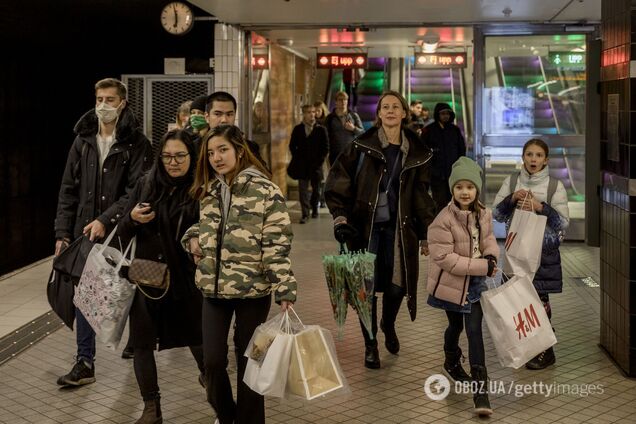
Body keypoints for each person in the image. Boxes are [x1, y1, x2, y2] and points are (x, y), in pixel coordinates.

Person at [182, 125, 297, 424]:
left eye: (222, 150)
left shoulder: (265, 190)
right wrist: (192, 238)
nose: (216, 157)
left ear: (239, 150)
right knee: (213, 362)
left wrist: (285, 288)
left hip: (253, 292)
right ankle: (228, 415)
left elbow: (277, 243)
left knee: (252, 363)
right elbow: (204, 229)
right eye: (210, 152)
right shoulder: (209, 190)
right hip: (213, 289)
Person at [325, 91, 436, 369]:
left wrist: (425, 234)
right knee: (367, 289)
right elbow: (339, 181)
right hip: (367, 229)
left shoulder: (417, 151)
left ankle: (388, 323)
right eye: (384, 107)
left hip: (401, 230)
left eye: (395, 107)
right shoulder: (361, 146)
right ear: (378, 114)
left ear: (404, 113)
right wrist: (340, 218)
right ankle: (371, 344)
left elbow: (422, 195)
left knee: (399, 286)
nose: (389, 111)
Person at [54, 77, 151, 386]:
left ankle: (140, 342)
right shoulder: (82, 140)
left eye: (110, 100)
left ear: (123, 103)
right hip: (87, 230)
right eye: (99, 99)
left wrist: (106, 220)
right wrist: (62, 233)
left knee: (131, 291)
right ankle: (85, 362)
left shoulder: (137, 143)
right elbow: (68, 190)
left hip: (126, 229)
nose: (103, 106)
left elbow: (137, 191)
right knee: (85, 293)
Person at [116, 129, 204, 424]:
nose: (173, 162)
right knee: (141, 342)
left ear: (192, 156)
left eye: (180, 156)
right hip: (146, 274)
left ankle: (216, 391)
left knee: (199, 341)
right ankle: (151, 408)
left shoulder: (202, 188)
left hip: (187, 277)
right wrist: (132, 219)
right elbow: (123, 232)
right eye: (167, 156)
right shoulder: (147, 183)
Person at [424, 157, 499, 417]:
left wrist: (491, 257)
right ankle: (451, 359)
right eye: (459, 187)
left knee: (475, 331)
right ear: (452, 190)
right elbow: (445, 259)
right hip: (451, 283)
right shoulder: (442, 220)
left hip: (475, 282)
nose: (464, 192)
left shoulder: (485, 214)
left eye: (469, 186)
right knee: (455, 326)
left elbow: (489, 239)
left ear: (477, 189)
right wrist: (483, 267)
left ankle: (481, 393)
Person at [493, 138, 569, 370]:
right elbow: (497, 213)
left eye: (538, 155)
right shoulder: (512, 181)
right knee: (519, 300)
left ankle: (547, 350)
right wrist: (512, 199)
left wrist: (540, 207)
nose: (533, 159)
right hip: (516, 252)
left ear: (546, 160)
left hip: (543, 255)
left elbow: (563, 222)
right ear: (523, 157)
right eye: (529, 155)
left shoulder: (555, 186)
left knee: (539, 300)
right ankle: (531, 346)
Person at [421, 102, 466, 213]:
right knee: (439, 202)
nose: (446, 116)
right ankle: (440, 226)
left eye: (448, 113)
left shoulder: (454, 130)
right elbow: (423, 152)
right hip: (437, 175)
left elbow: (461, 150)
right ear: (437, 115)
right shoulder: (429, 131)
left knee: (454, 201)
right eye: (443, 113)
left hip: (453, 174)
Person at [287, 104, 329, 223]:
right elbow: (292, 145)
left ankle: (314, 208)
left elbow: (325, 148)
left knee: (316, 190)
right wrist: (297, 157)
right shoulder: (298, 129)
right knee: (303, 190)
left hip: (316, 165)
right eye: (309, 112)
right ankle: (305, 213)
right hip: (302, 165)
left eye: (313, 112)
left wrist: (319, 161)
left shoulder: (321, 129)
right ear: (304, 114)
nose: (312, 114)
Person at [325, 91, 364, 165]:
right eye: (340, 100)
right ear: (336, 102)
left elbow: (362, 133)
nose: (343, 102)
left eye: (345, 99)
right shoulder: (330, 118)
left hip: (350, 153)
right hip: (335, 153)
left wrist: (353, 128)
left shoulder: (354, 116)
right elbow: (325, 136)